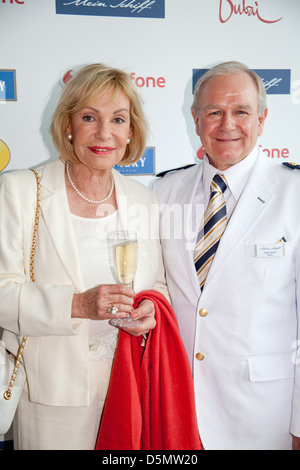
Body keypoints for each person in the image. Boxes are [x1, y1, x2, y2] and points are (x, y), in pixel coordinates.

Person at [0, 63, 168, 450]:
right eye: (89, 117)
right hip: (50, 393)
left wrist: (151, 311)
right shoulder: (21, 190)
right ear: (69, 124)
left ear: (131, 131)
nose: (104, 133)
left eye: (118, 119)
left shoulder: (143, 199)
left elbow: (157, 284)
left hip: (129, 387)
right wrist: (76, 304)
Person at [153, 61, 300, 450]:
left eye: (241, 111)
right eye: (214, 111)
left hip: (266, 417)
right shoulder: (163, 192)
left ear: (263, 118)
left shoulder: (295, 193)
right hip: (178, 410)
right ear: (195, 118)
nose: (227, 124)